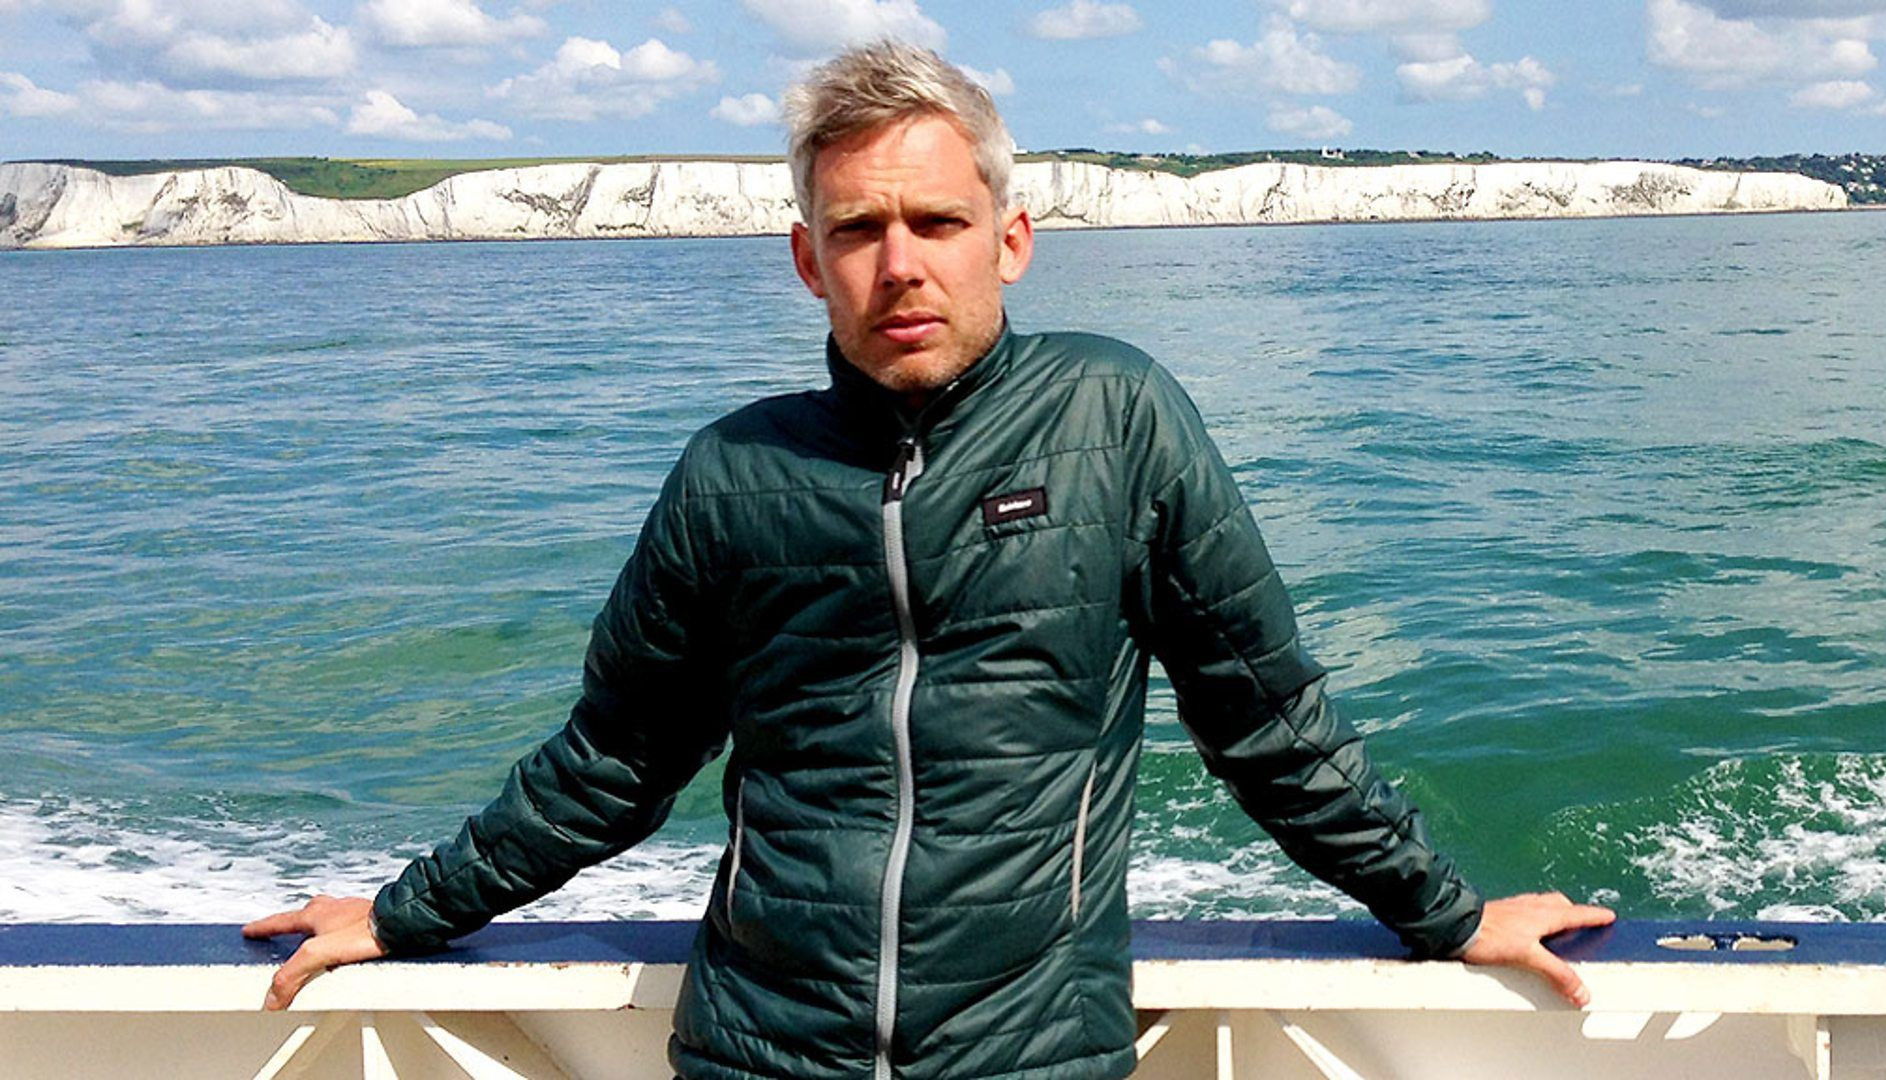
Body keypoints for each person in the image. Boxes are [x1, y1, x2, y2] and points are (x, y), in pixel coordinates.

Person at [246, 40, 1614, 1080]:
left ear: (1009, 242)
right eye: (858, 229)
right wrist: (406, 915)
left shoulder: (1116, 419)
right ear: (808, 260)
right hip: (761, 1050)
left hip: (1032, 1051)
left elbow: (1264, 720)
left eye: (938, 223)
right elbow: (613, 759)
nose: (899, 264)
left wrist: (1446, 915)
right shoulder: (735, 473)